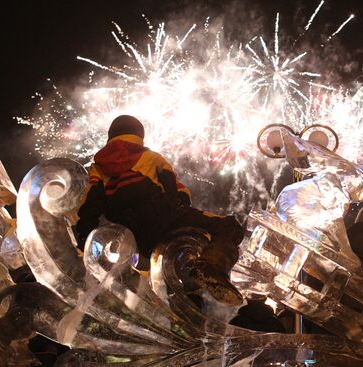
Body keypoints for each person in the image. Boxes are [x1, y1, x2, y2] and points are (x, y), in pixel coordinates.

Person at [76, 115, 244, 305]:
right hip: (164, 215)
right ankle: (207, 270)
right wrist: (180, 206)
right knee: (228, 226)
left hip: (136, 235)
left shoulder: (97, 167)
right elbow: (174, 188)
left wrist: (84, 238)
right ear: (139, 134)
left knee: (167, 266)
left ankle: (188, 292)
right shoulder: (150, 156)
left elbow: (91, 202)